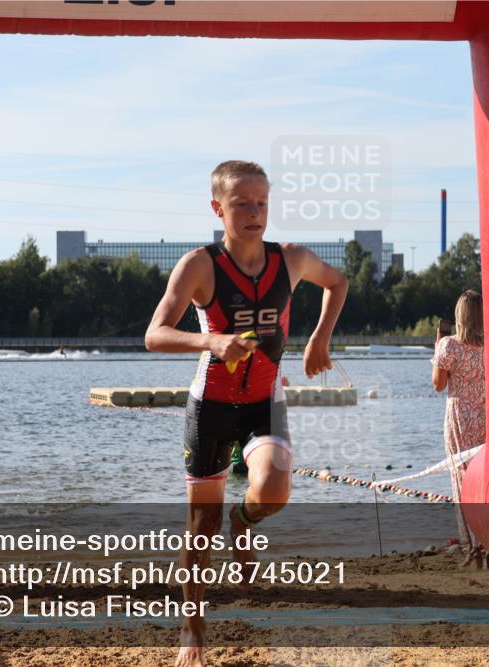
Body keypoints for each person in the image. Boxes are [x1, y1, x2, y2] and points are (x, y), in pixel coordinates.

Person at [145, 159, 347, 667]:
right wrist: (211, 340)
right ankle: (192, 630)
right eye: (241, 204)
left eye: (261, 202)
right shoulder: (200, 265)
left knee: (275, 487)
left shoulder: (292, 259)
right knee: (199, 526)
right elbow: (154, 334)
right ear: (218, 208)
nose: (254, 212)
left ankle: (246, 518)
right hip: (210, 405)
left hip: (263, 401)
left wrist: (319, 338)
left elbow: (338, 283)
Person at [431, 290, 489, 566]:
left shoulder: (449, 346)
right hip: (488, 415)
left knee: (461, 481)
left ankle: (472, 546)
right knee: (486, 479)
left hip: (459, 418)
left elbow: (438, 385)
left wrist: (437, 347)